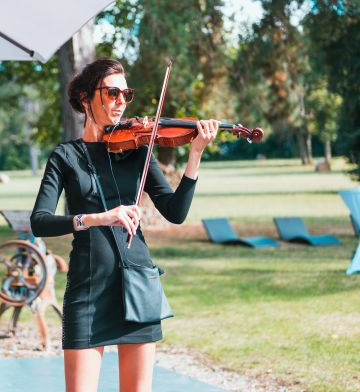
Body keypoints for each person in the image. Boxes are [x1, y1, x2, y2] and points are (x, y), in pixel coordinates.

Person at [30, 58, 219, 392]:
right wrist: (99, 218)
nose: (120, 101)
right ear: (86, 98)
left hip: (137, 283)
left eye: (125, 94)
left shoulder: (137, 150)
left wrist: (196, 156)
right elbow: (40, 222)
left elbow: (175, 212)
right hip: (88, 288)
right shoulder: (66, 156)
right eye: (112, 92)